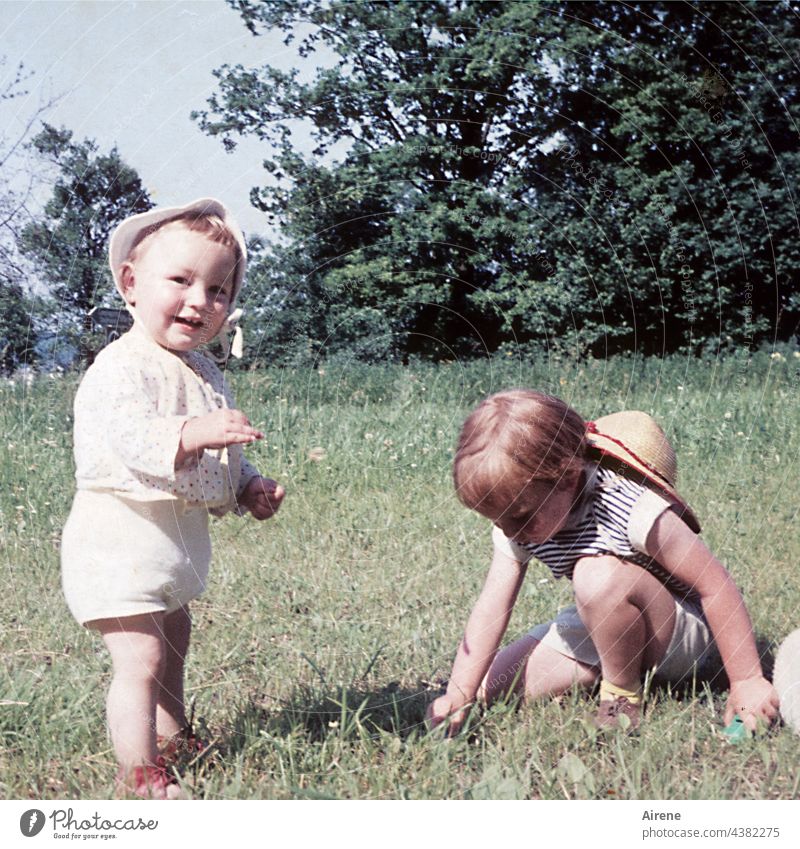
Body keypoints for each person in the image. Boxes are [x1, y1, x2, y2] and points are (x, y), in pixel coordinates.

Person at [61, 198, 285, 798]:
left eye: (218, 289)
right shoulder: (120, 367)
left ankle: (174, 731)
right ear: (132, 284)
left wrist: (246, 485)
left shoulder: (206, 370)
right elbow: (133, 439)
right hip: (118, 541)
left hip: (168, 547)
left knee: (173, 640)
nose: (199, 301)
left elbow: (220, 447)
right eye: (181, 280)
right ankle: (141, 774)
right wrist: (190, 434)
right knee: (140, 658)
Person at [426, 390, 779, 735]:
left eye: (519, 517)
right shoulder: (520, 519)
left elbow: (714, 584)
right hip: (607, 617)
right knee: (494, 685)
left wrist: (747, 679)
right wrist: (459, 693)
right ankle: (613, 664)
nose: (509, 530)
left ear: (567, 477)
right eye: (497, 519)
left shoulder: (632, 508)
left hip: (681, 630)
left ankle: (622, 696)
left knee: (594, 575)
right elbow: (492, 607)